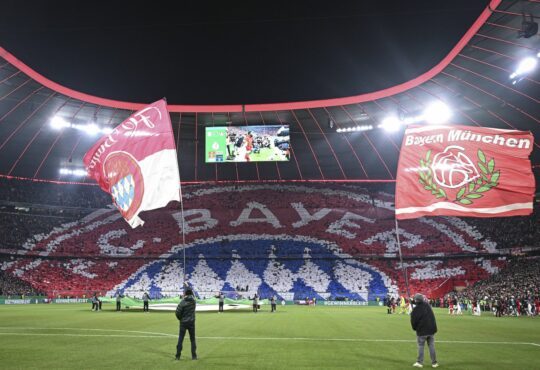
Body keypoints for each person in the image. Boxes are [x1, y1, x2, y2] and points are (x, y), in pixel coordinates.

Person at [411, 293, 438, 368]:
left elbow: (413, 322)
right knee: (431, 346)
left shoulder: (416, 310)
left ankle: (420, 362)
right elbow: (420, 303)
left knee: (421, 346)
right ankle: (434, 363)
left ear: (416, 300)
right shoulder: (427, 305)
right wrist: (413, 302)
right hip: (431, 330)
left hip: (422, 331)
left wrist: (415, 328)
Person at [175, 289, 197, 360]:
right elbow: (193, 295)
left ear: (185, 294)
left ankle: (178, 356)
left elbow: (177, 312)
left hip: (183, 323)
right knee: (192, 339)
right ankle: (194, 356)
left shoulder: (182, 302)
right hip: (191, 323)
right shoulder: (193, 301)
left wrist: (181, 319)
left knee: (180, 339)